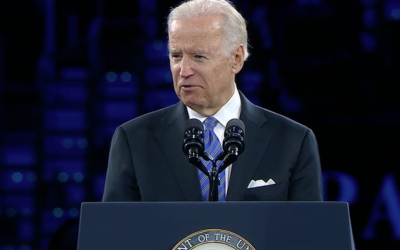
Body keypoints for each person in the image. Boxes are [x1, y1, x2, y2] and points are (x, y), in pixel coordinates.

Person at [102, 0, 323, 202]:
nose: (184, 70)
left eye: (199, 56)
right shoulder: (134, 140)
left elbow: (310, 236)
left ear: (236, 59)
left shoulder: (293, 141)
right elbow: (112, 235)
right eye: (176, 56)